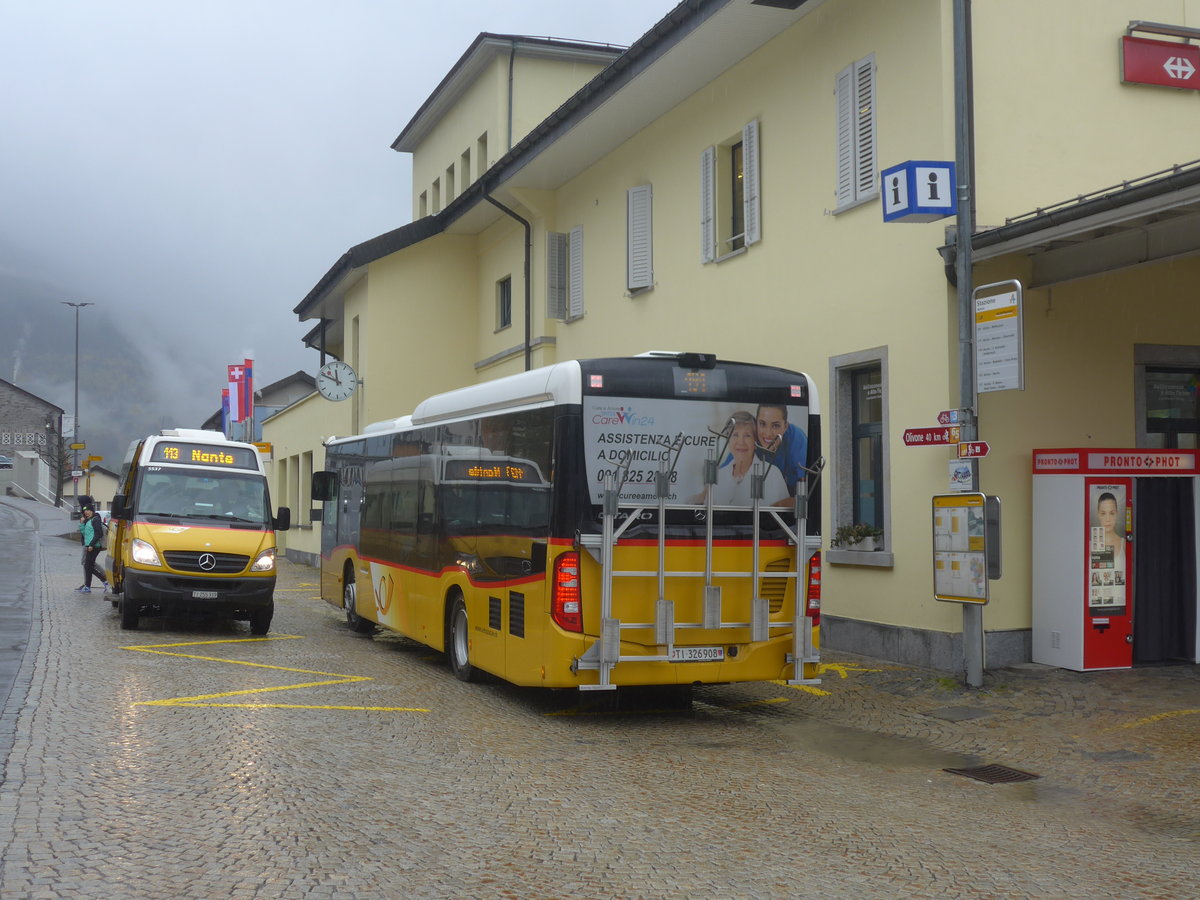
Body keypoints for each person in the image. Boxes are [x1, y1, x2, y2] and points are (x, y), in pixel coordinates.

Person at [710, 411, 790, 507]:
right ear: (728, 440)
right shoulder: (719, 475)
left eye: (747, 435)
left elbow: (784, 515)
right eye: (735, 435)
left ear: (755, 443)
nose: (741, 442)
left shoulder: (773, 474)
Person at [754, 403, 808, 504]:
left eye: (775, 426)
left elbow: (807, 496)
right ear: (756, 423)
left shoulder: (797, 440)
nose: (768, 433)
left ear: (785, 426)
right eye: (762, 424)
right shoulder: (749, 437)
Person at [75, 505, 109, 594]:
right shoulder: (88, 520)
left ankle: (105, 582)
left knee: (88, 566)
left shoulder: (96, 519)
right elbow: (85, 534)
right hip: (89, 546)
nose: (86, 512)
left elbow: (99, 533)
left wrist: (91, 545)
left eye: (89, 510)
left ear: (92, 511)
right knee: (88, 566)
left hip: (94, 547)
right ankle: (88, 586)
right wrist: (82, 524)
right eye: (85, 511)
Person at [1095, 491, 1125, 570]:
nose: (1108, 519)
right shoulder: (1090, 544)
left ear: (1117, 514)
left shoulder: (1124, 544)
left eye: (1112, 513)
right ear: (1098, 514)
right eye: (1103, 513)